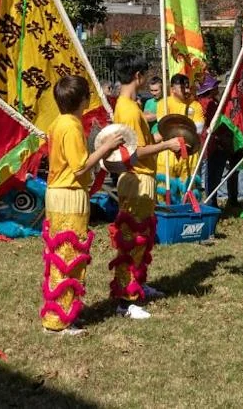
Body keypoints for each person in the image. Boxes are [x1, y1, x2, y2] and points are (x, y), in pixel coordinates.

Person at [40, 76, 126, 336]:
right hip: (69, 195)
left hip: (57, 193)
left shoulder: (59, 123)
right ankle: (60, 319)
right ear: (84, 101)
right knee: (69, 257)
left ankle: (61, 311)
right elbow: (80, 166)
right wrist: (107, 146)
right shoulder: (72, 125)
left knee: (60, 256)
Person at [109, 57, 184, 318]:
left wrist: (164, 136)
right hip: (137, 179)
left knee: (142, 238)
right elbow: (135, 151)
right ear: (138, 76)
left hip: (142, 179)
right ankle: (125, 300)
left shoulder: (128, 105)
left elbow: (141, 141)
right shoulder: (128, 109)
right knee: (131, 240)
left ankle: (137, 285)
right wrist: (165, 146)